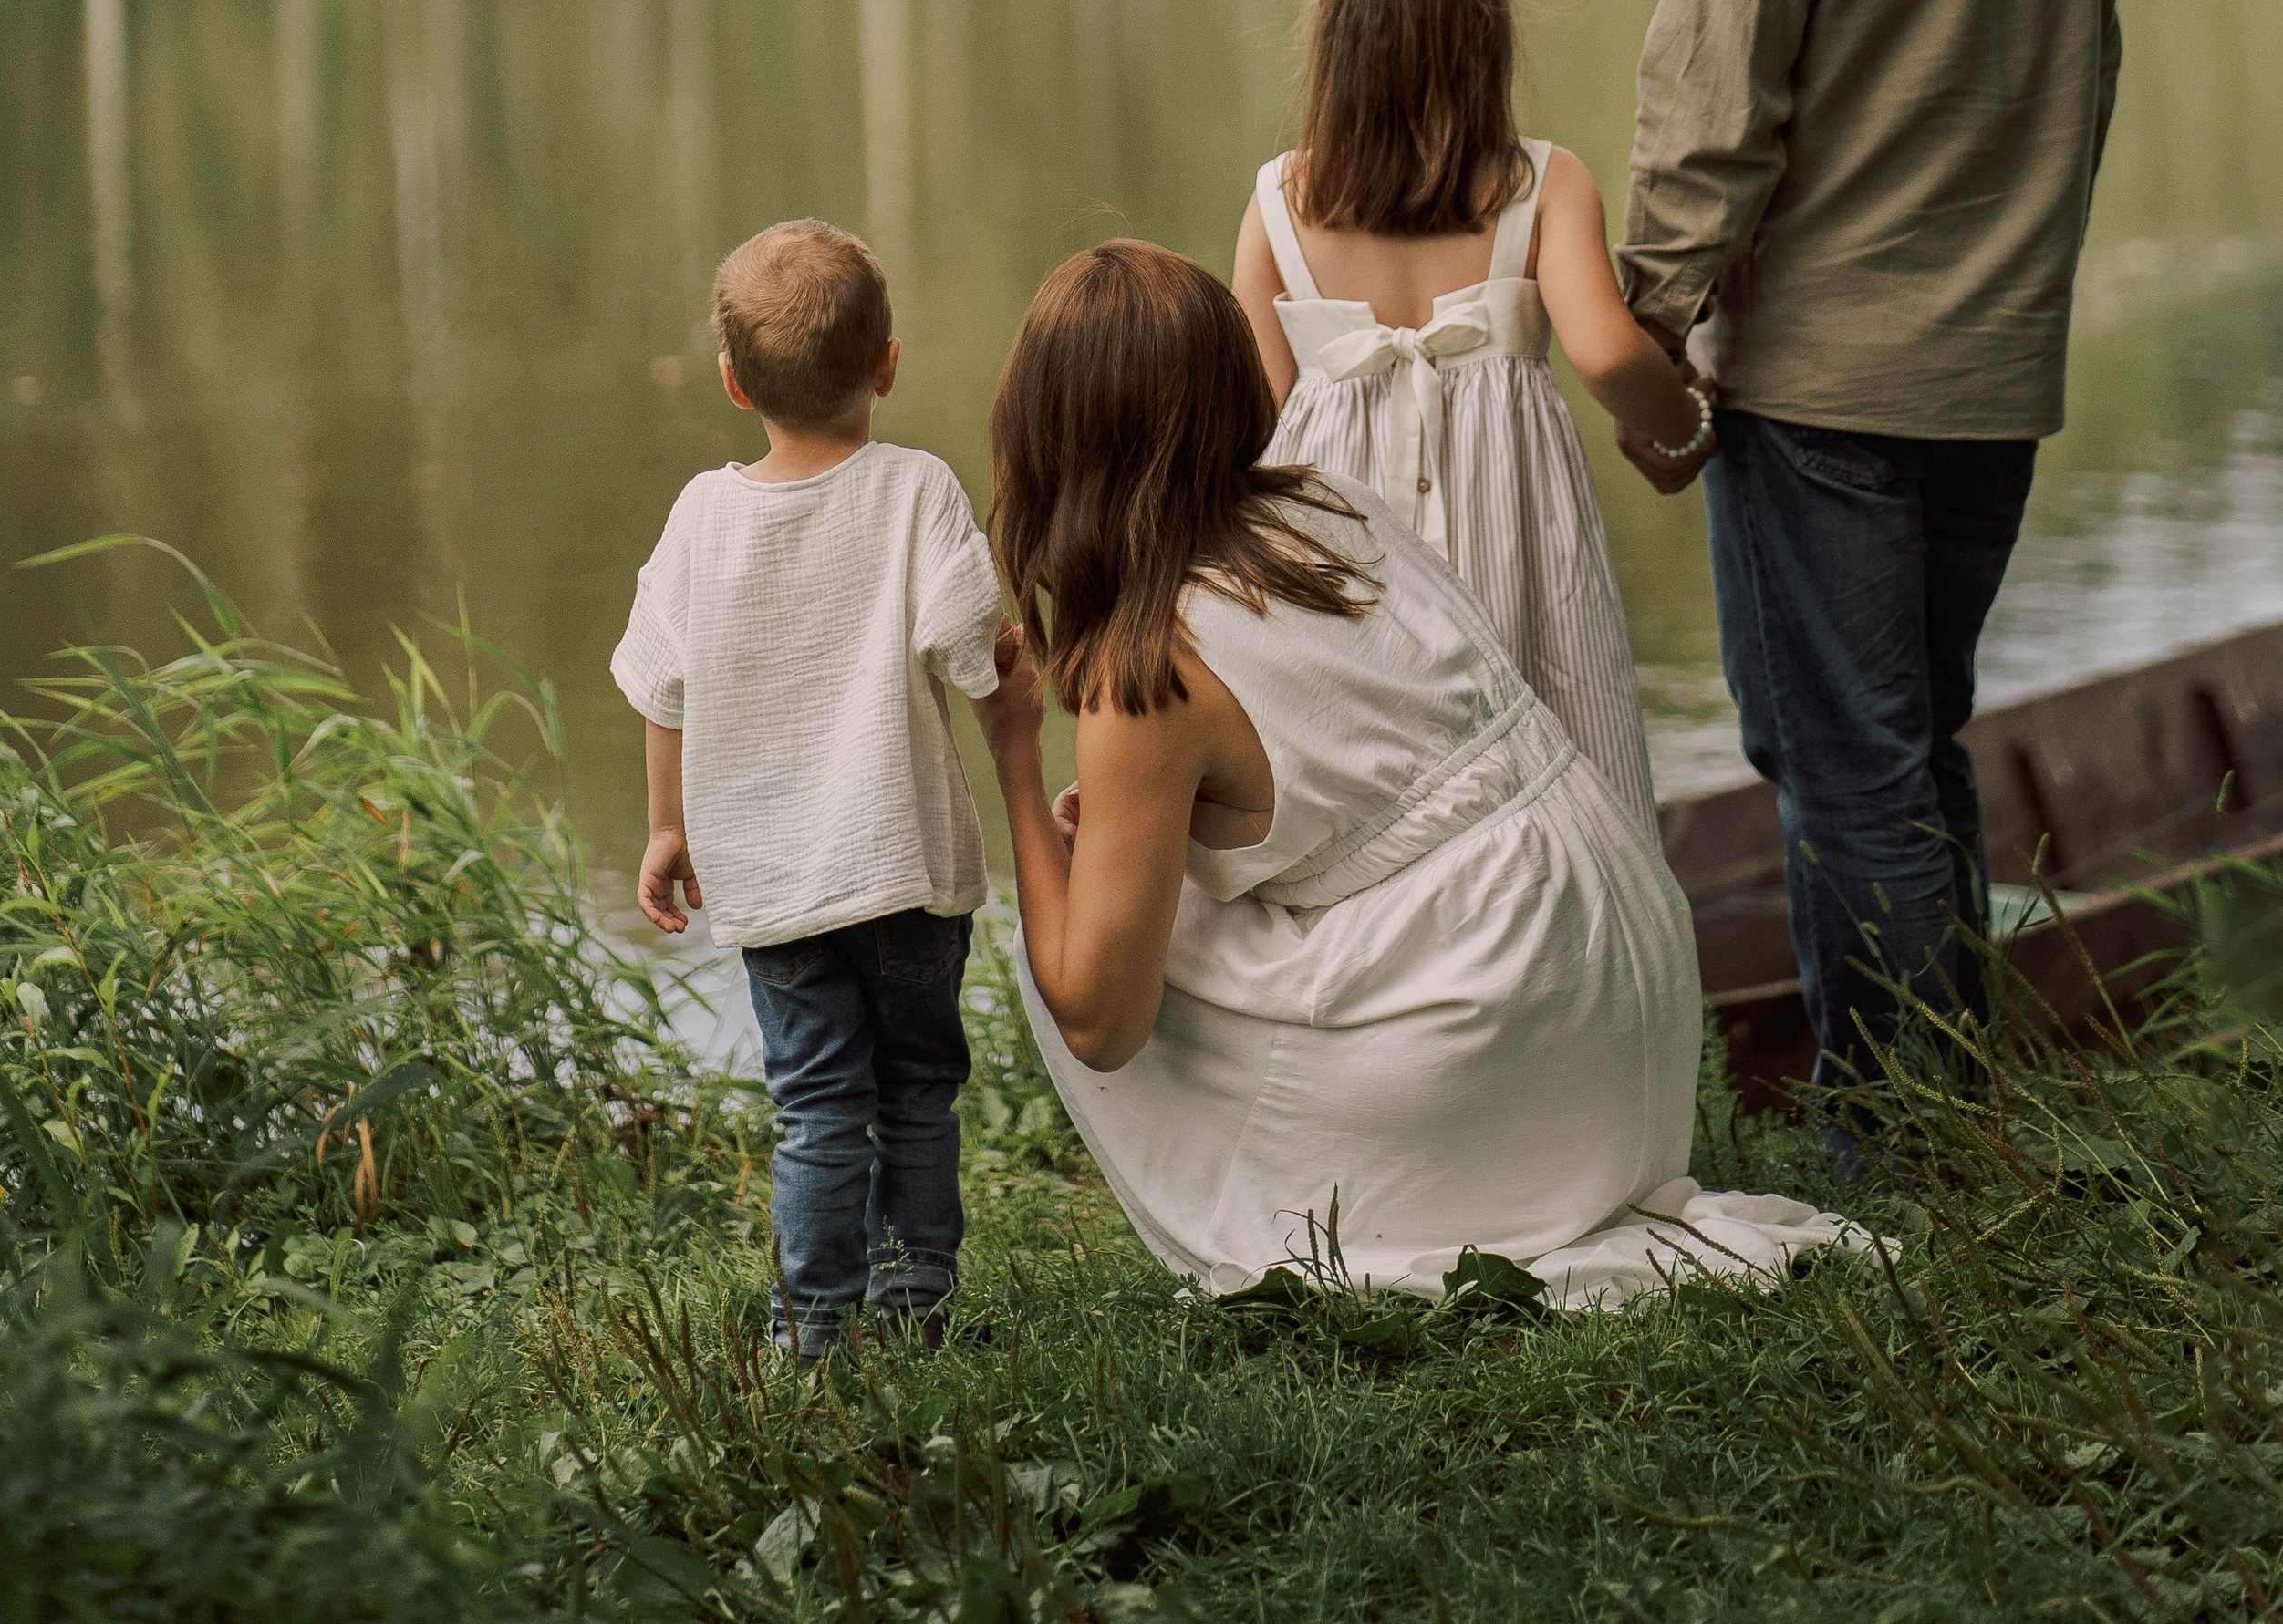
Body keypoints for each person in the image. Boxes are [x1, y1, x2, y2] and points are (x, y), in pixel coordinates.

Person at [970, 237, 1870, 1308]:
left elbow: (1099, 1027)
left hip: (1494, 1030)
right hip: (1619, 974)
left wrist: (1015, 757)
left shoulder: (1148, 671)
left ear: (1042, 430)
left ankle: (1350, 1197)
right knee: (1139, 889)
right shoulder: (1322, 508)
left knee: (1065, 930)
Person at [1616, 0, 2126, 1118]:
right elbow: (2082, 57)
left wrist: (1643, 353)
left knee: (1846, 774)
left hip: (1827, 378)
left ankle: (1899, 1156)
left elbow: (1703, 124)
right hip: (1996, 363)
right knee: (1918, 751)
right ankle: (1952, 1123)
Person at [1232, 0, 1709, 827]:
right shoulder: (1542, 184)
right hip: (1512, 531)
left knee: (1355, 778)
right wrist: (1687, 425)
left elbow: (1247, 416)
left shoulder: (1279, 201)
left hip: (1341, 549)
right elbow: (1610, 358)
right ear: (1486, 30)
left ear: (1333, 29)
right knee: (1553, 750)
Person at [611, 218, 1003, 1357]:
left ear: (732, 381)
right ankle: (915, 1305)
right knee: (917, 1089)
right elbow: (966, 639)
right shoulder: (916, 491)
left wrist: (665, 826)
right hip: (904, 872)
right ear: (888, 361)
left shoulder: (702, 515)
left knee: (818, 1107)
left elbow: (660, 683)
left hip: (773, 879)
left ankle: (816, 1333)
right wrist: (1003, 676)